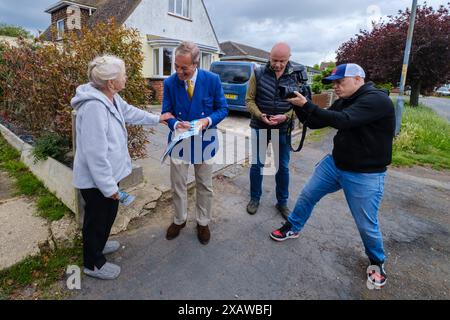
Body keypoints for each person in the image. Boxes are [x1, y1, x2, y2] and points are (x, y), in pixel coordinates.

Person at [269, 63, 395, 288]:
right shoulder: (345, 99)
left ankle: (377, 261)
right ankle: (293, 227)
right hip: (336, 163)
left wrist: (308, 104)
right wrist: (297, 105)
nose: (336, 87)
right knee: (308, 194)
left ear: (358, 79)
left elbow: (344, 120)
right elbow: (318, 122)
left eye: (340, 82)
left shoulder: (376, 100)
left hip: (365, 174)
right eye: (333, 83)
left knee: (366, 223)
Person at [71, 55, 174, 280]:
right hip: (96, 181)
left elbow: (130, 113)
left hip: (107, 177)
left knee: (108, 214)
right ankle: (93, 263)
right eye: (123, 74)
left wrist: (158, 119)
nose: (126, 77)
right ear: (110, 82)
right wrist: (109, 187)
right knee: (96, 219)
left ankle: (100, 244)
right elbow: (94, 155)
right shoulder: (93, 108)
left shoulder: (112, 98)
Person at [162, 41, 228, 245]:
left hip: (205, 140)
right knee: (178, 185)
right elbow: (166, 112)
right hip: (179, 142)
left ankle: (202, 222)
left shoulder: (212, 80)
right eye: (176, 66)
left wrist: (206, 120)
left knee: (204, 185)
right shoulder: (170, 82)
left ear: (196, 64)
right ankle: (179, 219)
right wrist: (174, 124)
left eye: (184, 68)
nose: (179, 72)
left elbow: (222, 109)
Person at [246, 42, 310, 219]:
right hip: (260, 126)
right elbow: (249, 100)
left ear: (289, 58)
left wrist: (286, 116)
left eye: (282, 60)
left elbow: (301, 103)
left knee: (282, 167)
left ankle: (282, 202)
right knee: (257, 165)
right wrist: (260, 115)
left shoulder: (296, 76)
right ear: (269, 56)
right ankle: (254, 198)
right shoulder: (258, 73)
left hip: (282, 129)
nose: (278, 64)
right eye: (274, 60)